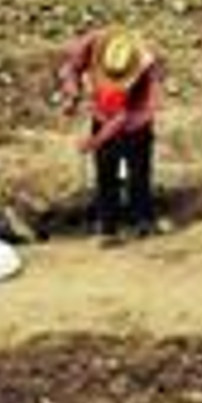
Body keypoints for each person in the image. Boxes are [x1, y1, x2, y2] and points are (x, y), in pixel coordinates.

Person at [57, 24, 162, 246]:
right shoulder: (96, 41)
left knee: (138, 172)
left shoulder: (146, 69)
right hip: (103, 114)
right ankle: (108, 226)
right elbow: (70, 68)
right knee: (105, 170)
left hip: (135, 122)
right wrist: (72, 93)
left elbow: (122, 118)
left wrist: (93, 142)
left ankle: (142, 222)